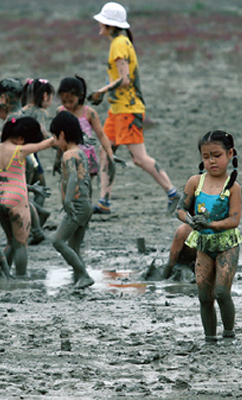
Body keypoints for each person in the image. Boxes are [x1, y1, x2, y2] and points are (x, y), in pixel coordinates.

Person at [89, 2, 179, 214]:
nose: (99, 24)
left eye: (102, 21)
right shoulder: (121, 42)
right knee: (106, 152)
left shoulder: (119, 44)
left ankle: (173, 193)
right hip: (117, 110)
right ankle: (104, 202)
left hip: (128, 110)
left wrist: (101, 91)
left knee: (139, 158)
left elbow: (124, 80)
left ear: (110, 25)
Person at [175, 130, 242, 342]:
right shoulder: (195, 182)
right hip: (203, 244)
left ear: (230, 153)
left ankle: (229, 334)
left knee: (222, 292)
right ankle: (210, 338)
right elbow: (180, 209)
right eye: (206, 157)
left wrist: (211, 223)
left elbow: (234, 220)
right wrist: (189, 220)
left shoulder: (233, 187)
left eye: (217, 155)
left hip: (226, 245)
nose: (211, 161)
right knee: (204, 296)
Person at [0, 117, 54, 277]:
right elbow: (44, 145)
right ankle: (21, 277)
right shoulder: (19, 151)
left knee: (10, 241)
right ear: (20, 138)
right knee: (21, 244)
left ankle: (1, 273)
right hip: (17, 198)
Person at [50, 111, 94, 289]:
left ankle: (84, 275)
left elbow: (73, 178)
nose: (54, 142)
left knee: (58, 242)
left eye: (55, 137)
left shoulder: (68, 155)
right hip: (86, 204)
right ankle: (78, 278)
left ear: (62, 134)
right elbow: (88, 180)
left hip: (76, 204)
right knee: (74, 246)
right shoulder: (81, 153)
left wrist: (68, 201)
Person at [57, 75, 115, 185]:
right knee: (68, 186)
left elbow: (101, 135)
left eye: (71, 101)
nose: (67, 105)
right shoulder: (60, 111)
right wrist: (57, 159)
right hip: (68, 156)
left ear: (80, 96)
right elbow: (60, 136)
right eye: (64, 101)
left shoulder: (89, 113)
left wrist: (110, 154)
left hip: (87, 158)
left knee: (84, 188)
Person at [22, 78, 55, 209]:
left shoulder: (20, 111)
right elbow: (42, 132)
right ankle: (35, 217)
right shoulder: (40, 112)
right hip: (31, 155)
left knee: (23, 186)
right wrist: (54, 141)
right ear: (45, 96)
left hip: (16, 153)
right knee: (41, 188)